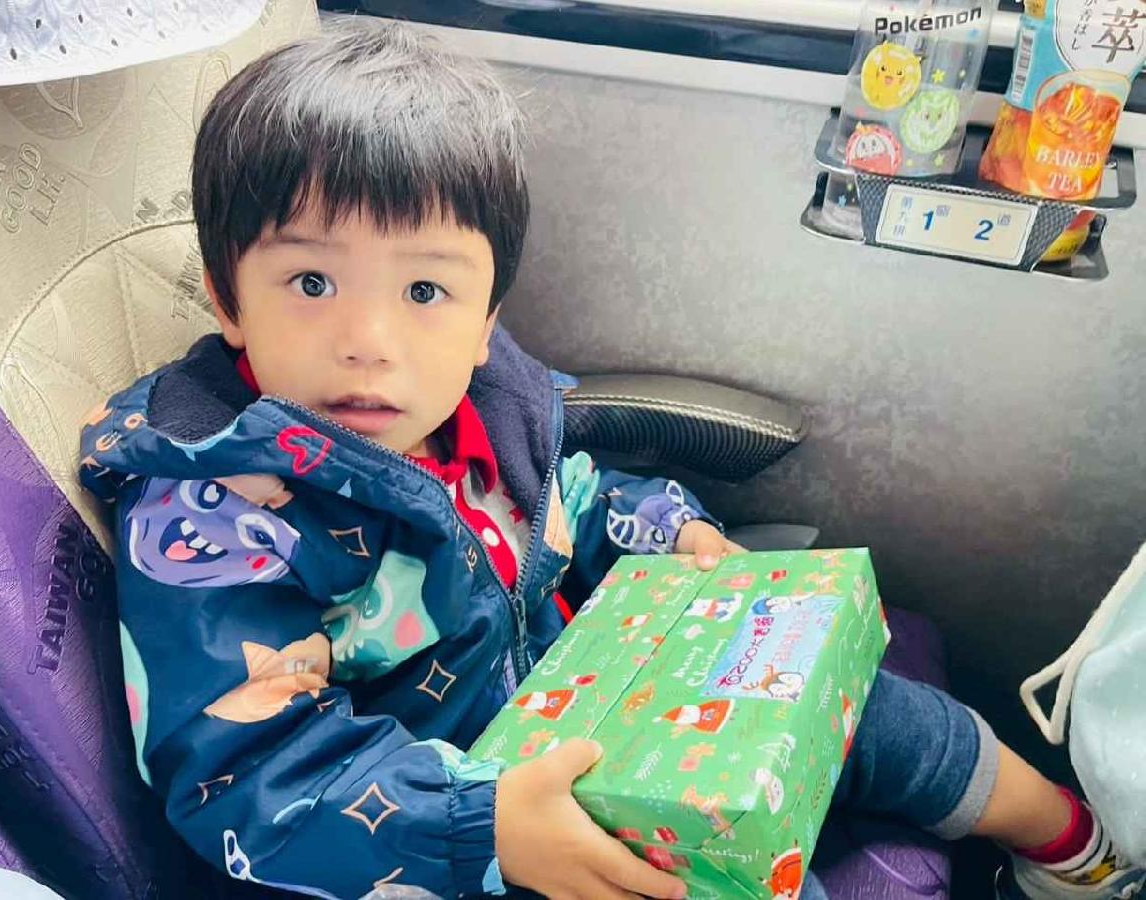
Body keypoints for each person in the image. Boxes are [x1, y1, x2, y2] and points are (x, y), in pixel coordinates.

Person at [78, 22, 1145, 900]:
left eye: (425, 290)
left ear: (486, 318)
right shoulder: (217, 512)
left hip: (583, 697)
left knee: (856, 699)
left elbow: (578, 502)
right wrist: (483, 826)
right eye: (311, 284)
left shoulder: (484, 412)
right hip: (447, 833)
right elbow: (246, 774)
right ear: (229, 299)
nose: (370, 341)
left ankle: (1070, 844)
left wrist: (672, 531)